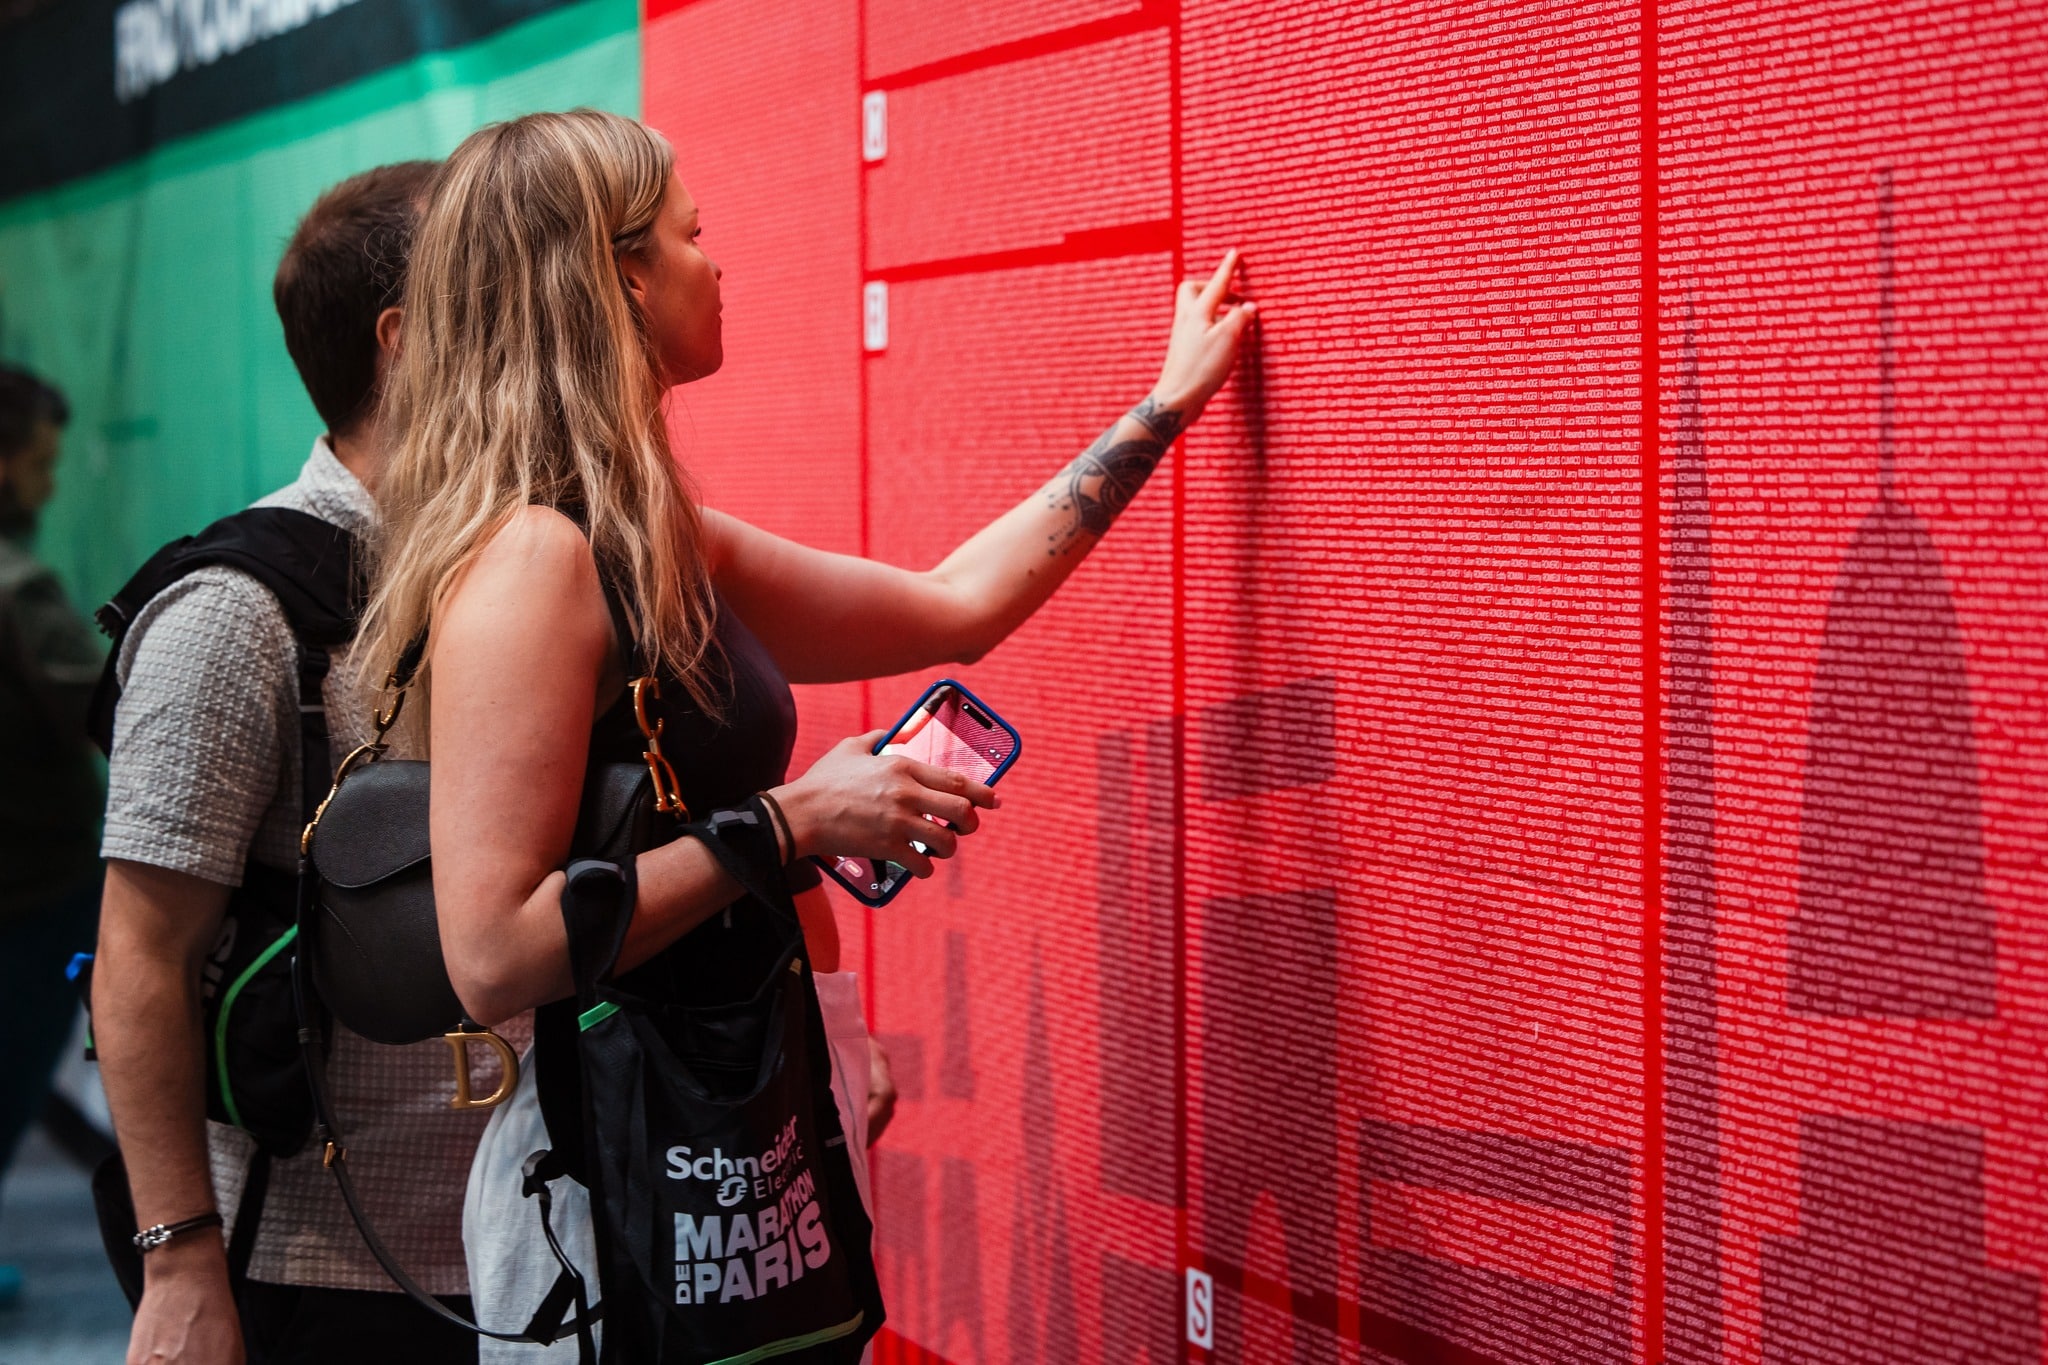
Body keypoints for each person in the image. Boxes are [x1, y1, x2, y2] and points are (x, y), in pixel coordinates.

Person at [352, 108, 1252, 1356]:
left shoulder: (647, 535)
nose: (715, 263)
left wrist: (1160, 408)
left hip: (727, 1123)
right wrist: (794, 822)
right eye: (692, 235)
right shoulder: (532, 563)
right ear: (621, 278)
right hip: (614, 1193)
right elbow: (494, 952)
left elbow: (957, 605)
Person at [90, 160, 498, 1365]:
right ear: (405, 341)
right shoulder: (235, 612)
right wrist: (179, 1265)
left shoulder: (518, 574)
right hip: (312, 1265)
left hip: (518, 1240)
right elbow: (141, 956)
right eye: (499, 286)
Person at [0, 364, 107, 1308]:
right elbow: (103, 709)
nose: (50, 483)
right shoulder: (19, 589)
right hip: (32, 891)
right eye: (40, 463)